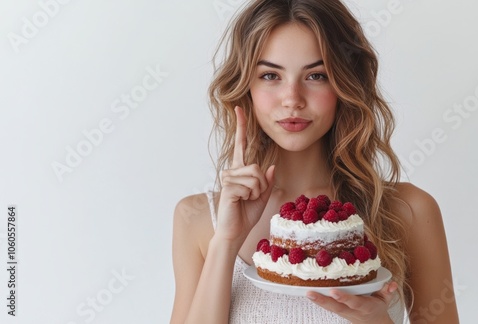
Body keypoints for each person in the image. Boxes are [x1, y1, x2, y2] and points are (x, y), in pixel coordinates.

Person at [170, 0, 459, 323]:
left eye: (316, 75)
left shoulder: (408, 211)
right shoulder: (197, 220)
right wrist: (226, 242)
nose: (292, 98)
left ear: (345, 85)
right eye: (270, 75)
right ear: (244, 87)